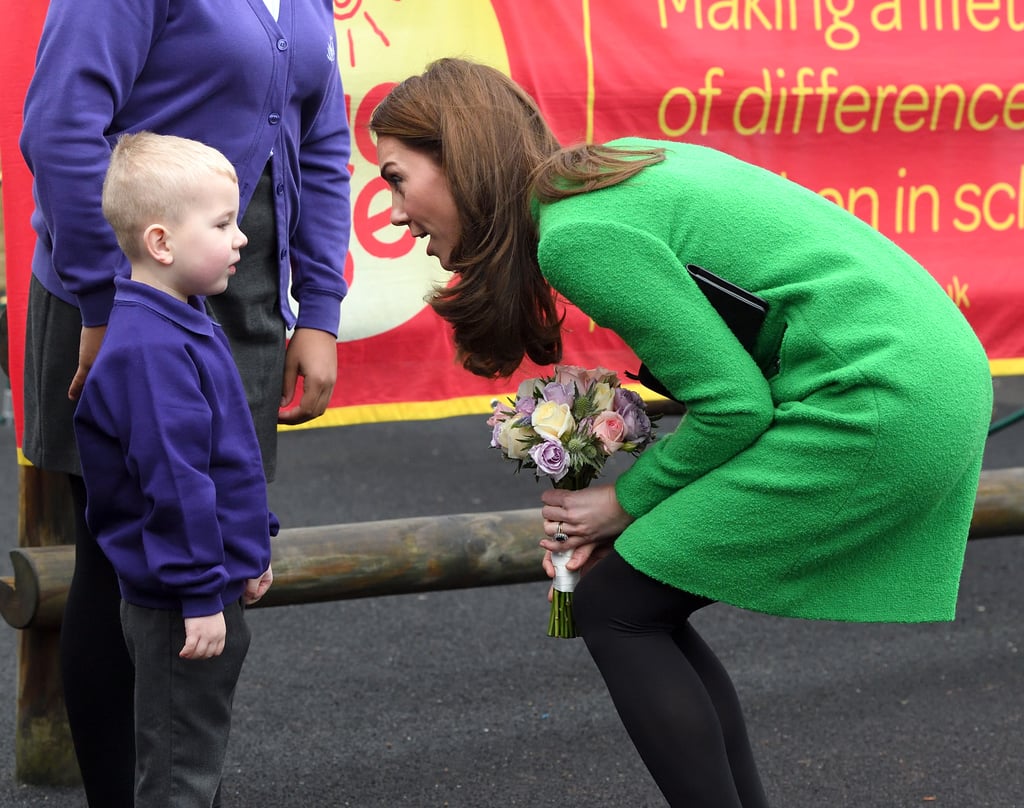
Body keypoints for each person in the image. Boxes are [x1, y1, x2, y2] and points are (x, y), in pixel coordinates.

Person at [369, 58, 993, 807]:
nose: (395, 211)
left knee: (615, 608)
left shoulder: (574, 236)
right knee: (637, 606)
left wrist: (620, 503)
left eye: (397, 178)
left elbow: (734, 406)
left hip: (882, 402)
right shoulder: (613, 177)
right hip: (925, 379)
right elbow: (739, 349)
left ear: (458, 160)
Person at [18, 2, 350, 803]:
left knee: (215, 533)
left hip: (242, 293)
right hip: (122, 290)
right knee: (121, 556)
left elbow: (324, 143)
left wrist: (322, 311)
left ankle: (179, 784)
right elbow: (61, 129)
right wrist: (106, 302)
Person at [73, 131, 276, 807]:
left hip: (209, 576)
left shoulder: (181, 317)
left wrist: (250, 544)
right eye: (222, 224)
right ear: (161, 243)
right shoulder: (150, 351)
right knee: (177, 770)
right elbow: (175, 484)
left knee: (197, 749)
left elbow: (226, 453)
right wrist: (197, 593)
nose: (240, 237)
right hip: (179, 598)